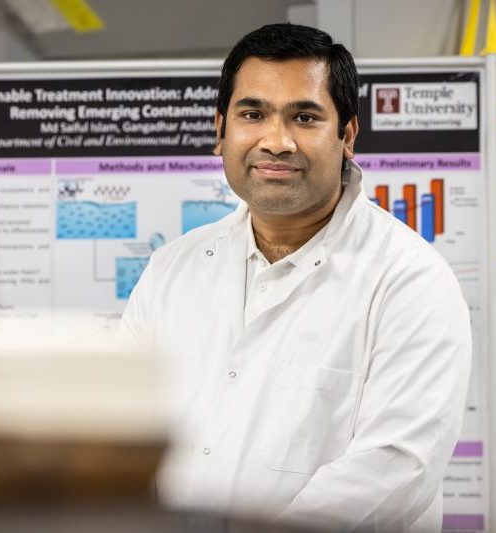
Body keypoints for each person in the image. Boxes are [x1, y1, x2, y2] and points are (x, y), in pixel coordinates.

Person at [119, 23, 471, 532]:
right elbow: (125, 426)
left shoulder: (408, 280)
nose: (276, 142)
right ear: (221, 130)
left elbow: (396, 466)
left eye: (304, 117)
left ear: (347, 135)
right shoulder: (172, 269)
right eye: (252, 114)